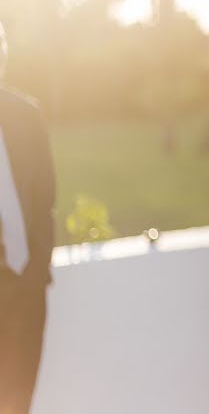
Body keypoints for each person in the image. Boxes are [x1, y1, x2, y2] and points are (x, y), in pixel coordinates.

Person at [0, 22, 57, 414]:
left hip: (28, 287)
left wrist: (38, 267)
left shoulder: (26, 112)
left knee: (20, 402)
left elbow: (45, 197)